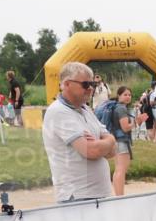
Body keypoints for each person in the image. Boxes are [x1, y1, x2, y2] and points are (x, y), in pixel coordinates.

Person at [42, 62, 115, 202]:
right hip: (77, 196)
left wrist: (104, 143)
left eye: (92, 84)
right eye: (86, 84)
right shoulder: (58, 111)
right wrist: (109, 140)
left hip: (96, 195)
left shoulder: (85, 109)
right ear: (67, 84)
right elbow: (92, 151)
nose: (90, 89)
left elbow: (113, 152)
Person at [109, 86, 146, 196]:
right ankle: (120, 196)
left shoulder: (117, 107)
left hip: (117, 140)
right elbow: (125, 127)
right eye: (125, 94)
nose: (128, 97)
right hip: (121, 141)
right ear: (119, 95)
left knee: (119, 169)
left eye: (129, 95)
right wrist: (137, 121)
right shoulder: (121, 109)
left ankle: (119, 195)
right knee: (121, 169)